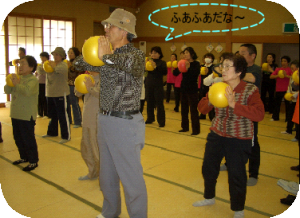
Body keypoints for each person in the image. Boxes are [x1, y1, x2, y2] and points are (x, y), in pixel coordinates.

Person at [74, 8, 147, 218]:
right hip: (104, 119)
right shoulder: (105, 57)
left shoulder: (134, 54)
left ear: (124, 30)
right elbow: (79, 63)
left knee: (131, 179)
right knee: (107, 175)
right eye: (105, 25)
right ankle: (110, 212)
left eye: (110, 26)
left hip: (125, 123)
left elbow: (130, 65)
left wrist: (106, 56)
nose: (105, 29)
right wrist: (87, 49)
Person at [195, 54, 264, 218]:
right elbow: (202, 109)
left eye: (228, 66)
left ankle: (238, 208)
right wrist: (210, 100)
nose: (223, 70)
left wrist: (234, 105)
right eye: (222, 66)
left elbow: (259, 115)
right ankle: (209, 197)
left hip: (239, 138)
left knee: (237, 175)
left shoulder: (250, 89)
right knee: (208, 168)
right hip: (217, 133)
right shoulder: (217, 86)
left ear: (239, 71)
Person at [4, 55, 39, 171]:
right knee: (18, 138)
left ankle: (33, 161)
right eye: (20, 64)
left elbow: (27, 91)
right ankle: (24, 157)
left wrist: (17, 83)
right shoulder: (17, 78)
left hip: (26, 114)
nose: (20, 66)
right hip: (15, 113)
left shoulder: (32, 80)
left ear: (31, 67)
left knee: (28, 138)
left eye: (23, 63)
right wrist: (9, 82)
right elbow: (7, 90)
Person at [238, 43, 263, 186]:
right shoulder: (239, 68)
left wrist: (234, 71)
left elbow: (252, 79)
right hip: (237, 110)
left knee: (252, 142)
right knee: (232, 138)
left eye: (243, 53)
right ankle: (229, 164)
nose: (239, 55)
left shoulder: (256, 69)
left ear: (252, 55)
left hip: (251, 112)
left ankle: (253, 173)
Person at [42, 47, 71, 144]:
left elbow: (56, 69)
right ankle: (52, 132)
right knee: (52, 115)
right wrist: (47, 64)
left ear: (62, 56)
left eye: (57, 55)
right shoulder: (49, 64)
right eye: (54, 54)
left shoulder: (63, 65)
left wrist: (52, 65)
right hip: (50, 93)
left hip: (60, 94)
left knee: (62, 115)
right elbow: (41, 69)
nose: (55, 56)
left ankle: (66, 136)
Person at [75, 71, 100, 180]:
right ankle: (92, 172)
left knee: (97, 150)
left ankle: (104, 179)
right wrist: (82, 84)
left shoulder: (105, 77)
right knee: (86, 147)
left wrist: (91, 88)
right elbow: (77, 93)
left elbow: (103, 95)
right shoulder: (86, 77)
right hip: (86, 118)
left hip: (97, 119)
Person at [178, 47, 200, 135]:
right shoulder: (182, 62)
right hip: (184, 88)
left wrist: (188, 68)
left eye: (187, 52)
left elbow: (194, 75)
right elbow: (176, 73)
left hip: (192, 89)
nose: (185, 54)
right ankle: (185, 127)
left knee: (193, 110)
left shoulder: (196, 63)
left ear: (192, 54)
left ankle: (196, 130)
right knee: (184, 109)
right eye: (184, 53)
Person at [145, 46, 167, 127]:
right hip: (149, 84)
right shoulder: (148, 62)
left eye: (155, 53)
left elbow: (164, 72)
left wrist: (155, 67)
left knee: (159, 103)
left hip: (158, 86)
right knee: (149, 103)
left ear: (159, 54)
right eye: (152, 53)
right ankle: (150, 118)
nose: (153, 54)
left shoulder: (162, 63)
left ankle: (161, 121)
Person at [270, 56, 293, 121]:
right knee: (277, 104)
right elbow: (271, 76)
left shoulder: (290, 70)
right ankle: (275, 117)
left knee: (287, 105)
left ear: (288, 62)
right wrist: (278, 75)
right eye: (282, 61)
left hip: (287, 90)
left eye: (285, 61)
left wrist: (286, 76)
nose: (283, 62)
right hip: (278, 89)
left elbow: (293, 78)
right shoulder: (278, 69)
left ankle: (288, 119)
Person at [281, 60, 299, 136]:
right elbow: (290, 86)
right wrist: (288, 93)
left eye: (294, 68)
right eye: (291, 68)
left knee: (296, 117)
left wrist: (294, 95)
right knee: (290, 114)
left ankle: (296, 133)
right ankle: (289, 130)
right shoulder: (292, 77)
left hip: (297, 99)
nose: (292, 70)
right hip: (292, 98)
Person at [67, 47, 83, 128]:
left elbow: (76, 73)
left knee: (74, 103)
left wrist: (70, 67)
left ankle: (78, 121)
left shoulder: (78, 62)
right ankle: (69, 120)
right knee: (67, 104)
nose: (69, 54)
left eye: (71, 53)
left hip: (74, 85)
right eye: (69, 53)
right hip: (67, 85)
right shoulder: (67, 62)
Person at [199, 53, 215, 120]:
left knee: (210, 100)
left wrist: (208, 71)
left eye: (209, 57)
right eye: (206, 57)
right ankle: (203, 114)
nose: (207, 58)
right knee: (203, 99)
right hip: (203, 86)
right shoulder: (202, 66)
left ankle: (211, 116)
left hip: (210, 86)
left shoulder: (213, 67)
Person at [36, 52, 49, 118]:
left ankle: (46, 113)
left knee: (45, 98)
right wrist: (43, 71)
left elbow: (48, 72)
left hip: (46, 83)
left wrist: (44, 71)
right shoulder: (39, 65)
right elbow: (40, 71)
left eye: (43, 57)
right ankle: (40, 113)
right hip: (39, 83)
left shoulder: (49, 64)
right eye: (41, 57)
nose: (42, 58)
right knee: (39, 98)